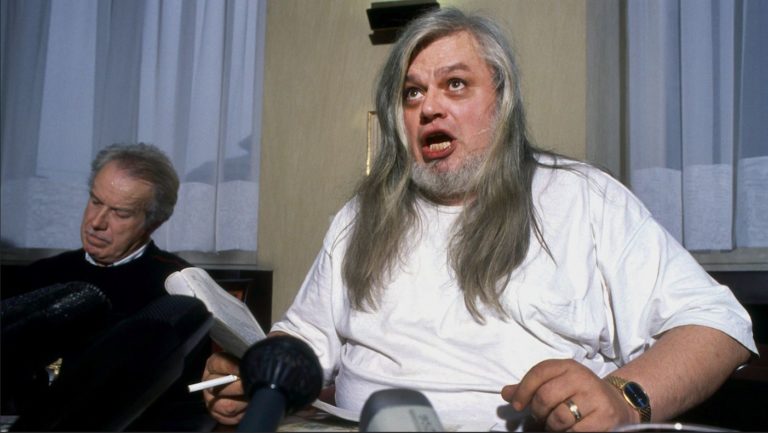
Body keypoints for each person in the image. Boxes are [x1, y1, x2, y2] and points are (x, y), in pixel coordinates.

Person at [202, 8, 757, 432]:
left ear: (502, 101)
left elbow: (718, 325)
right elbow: (305, 338)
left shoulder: (584, 198)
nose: (429, 107)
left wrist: (624, 396)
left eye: (455, 84)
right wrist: (252, 374)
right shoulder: (360, 218)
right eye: (412, 93)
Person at [5, 143, 212, 430]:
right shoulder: (37, 277)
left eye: (120, 213)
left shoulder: (179, 293)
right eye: (95, 201)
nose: (96, 222)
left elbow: (191, 401)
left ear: (153, 222)